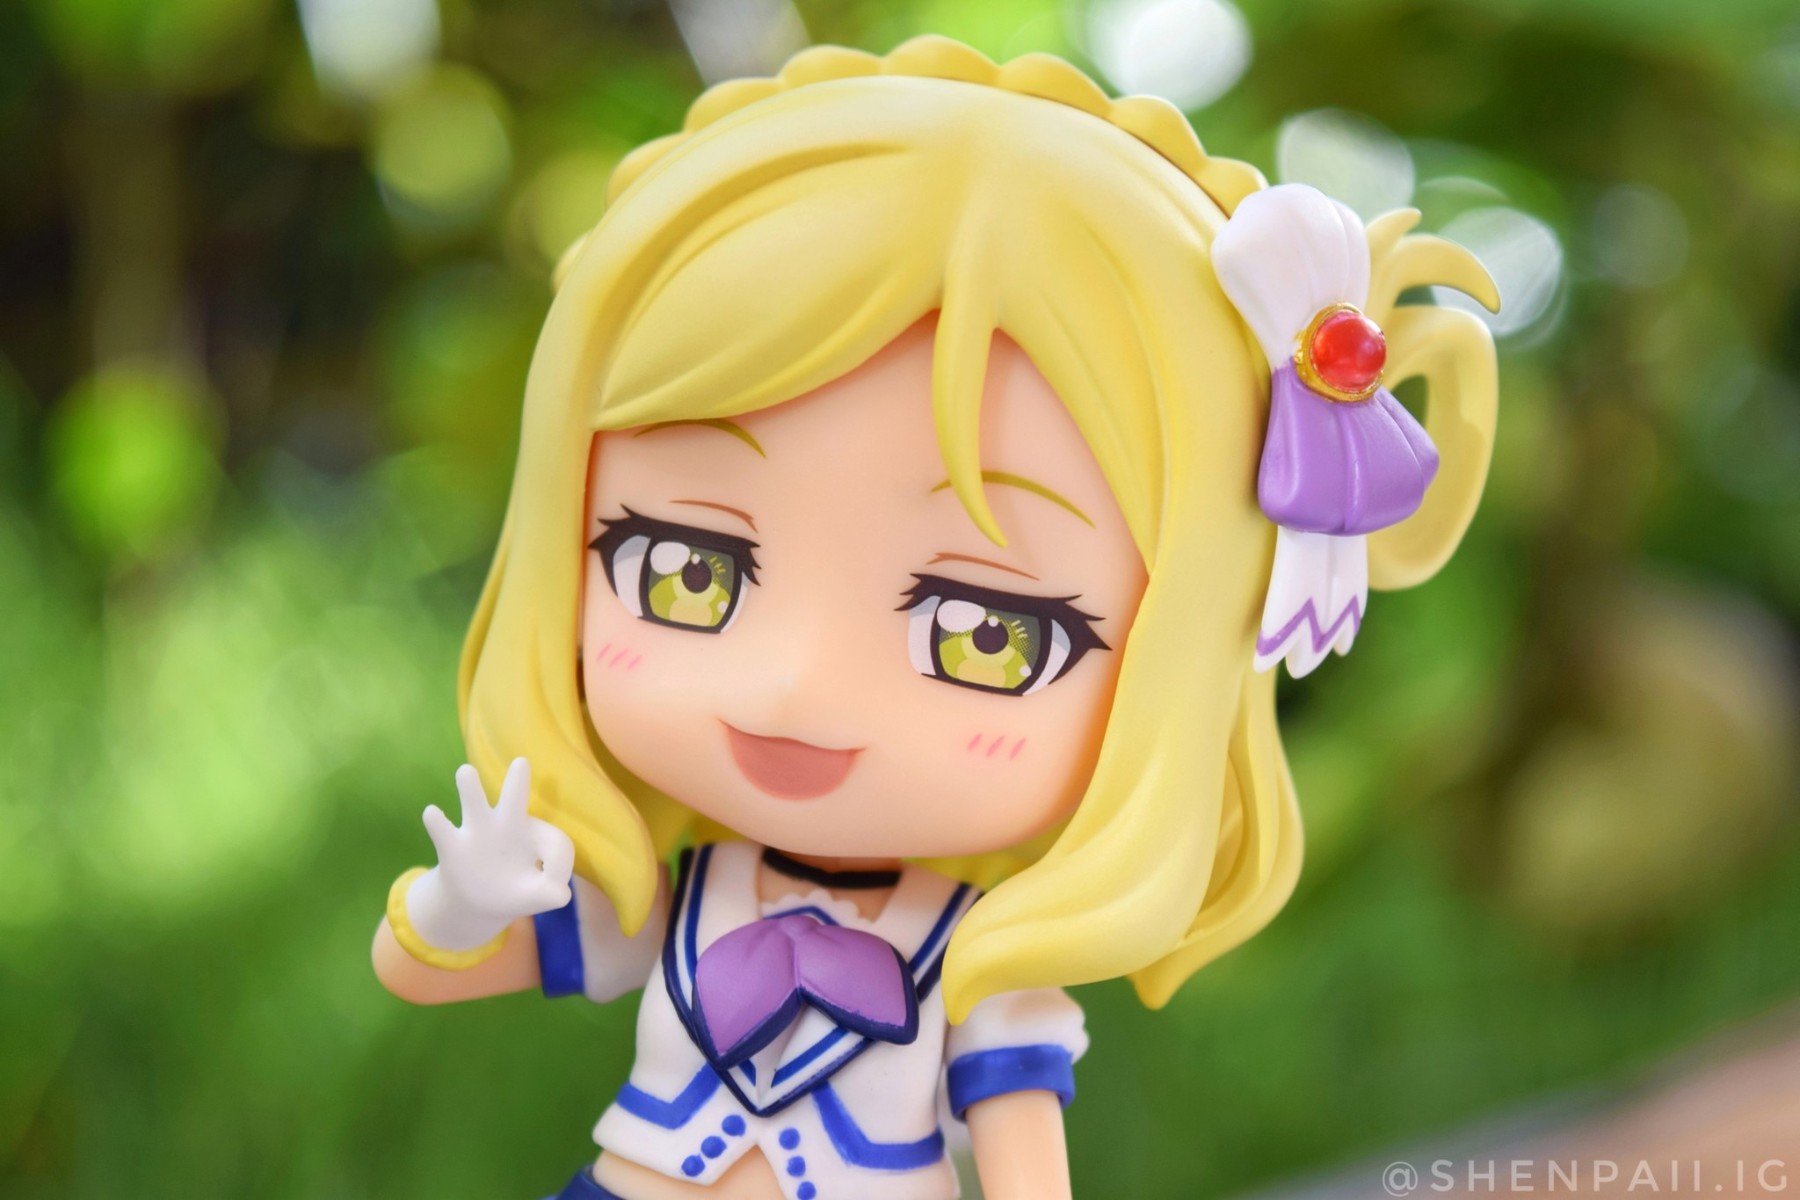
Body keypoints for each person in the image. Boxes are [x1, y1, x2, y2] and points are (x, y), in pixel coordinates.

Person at [370, 34, 1498, 1200]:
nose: (799, 683)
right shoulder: (673, 902)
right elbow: (422, 970)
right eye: (685, 572)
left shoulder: (984, 975)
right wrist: (459, 901)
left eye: (985, 635)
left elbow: (1027, 1172)